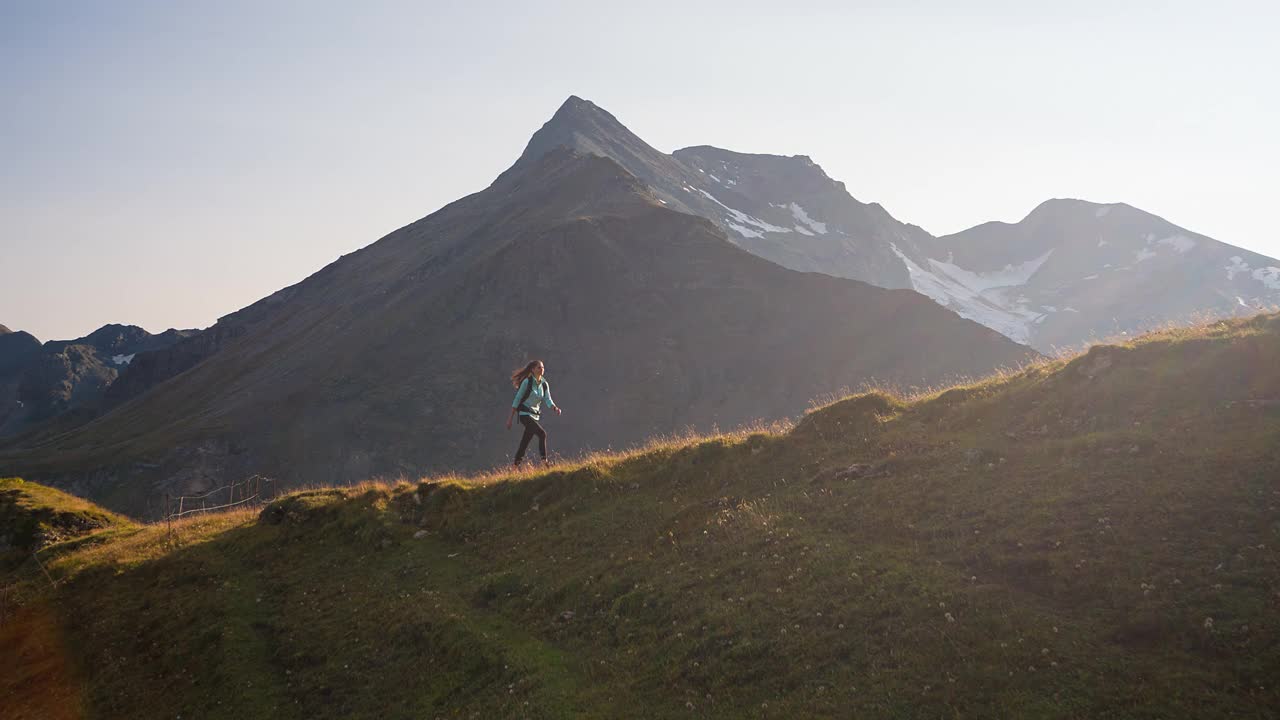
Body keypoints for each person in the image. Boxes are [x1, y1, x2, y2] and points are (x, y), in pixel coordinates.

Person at [506, 360, 561, 468]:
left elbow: (548, 399)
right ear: (532, 369)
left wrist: (555, 408)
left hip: (534, 416)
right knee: (542, 434)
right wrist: (510, 419)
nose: (542, 369)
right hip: (524, 415)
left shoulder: (544, 384)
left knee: (525, 441)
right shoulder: (527, 382)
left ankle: (515, 466)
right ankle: (544, 462)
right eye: (539, 368)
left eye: (543, 367)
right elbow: (517, 399)